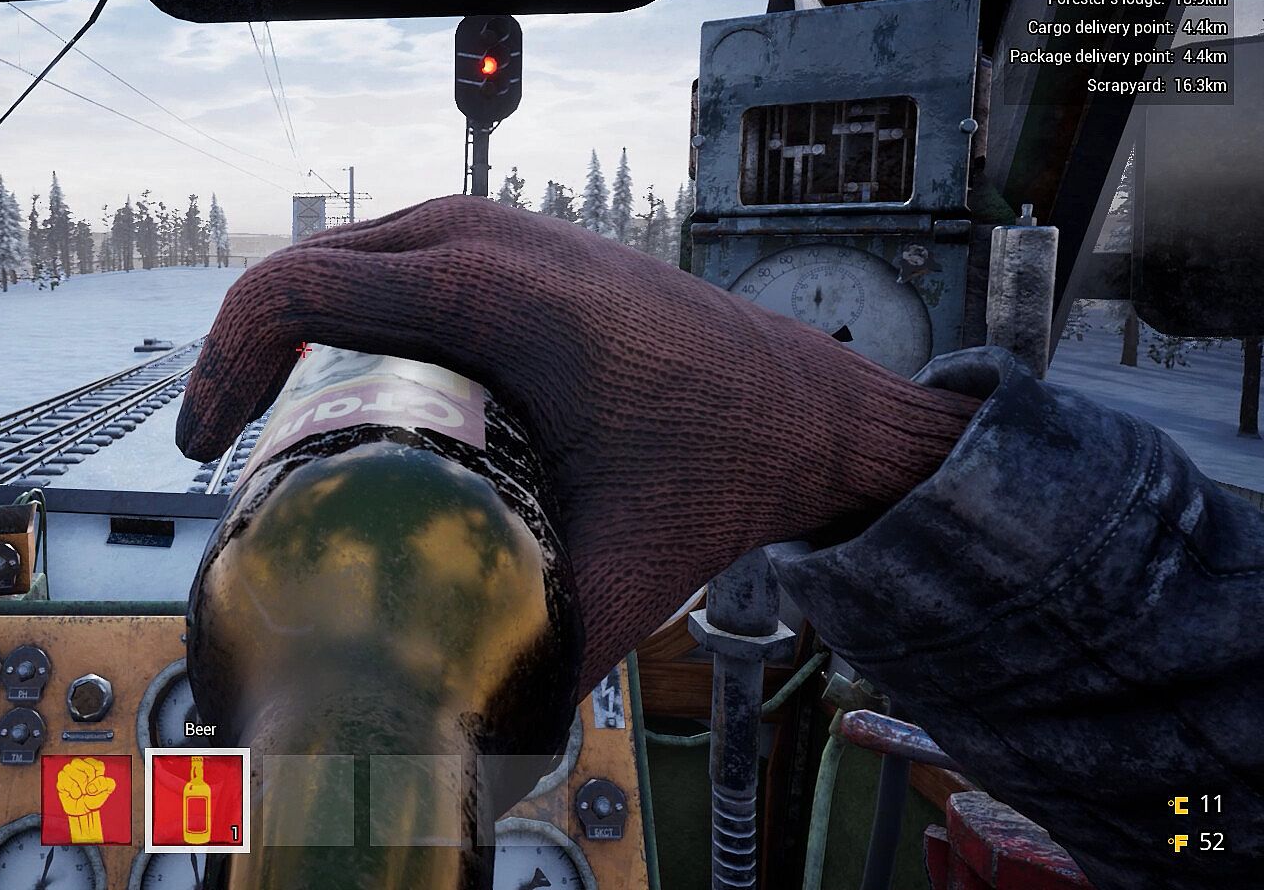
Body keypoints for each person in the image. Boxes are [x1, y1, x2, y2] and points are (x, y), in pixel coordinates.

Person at [175, 196, 1260, 890]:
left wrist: (878, 449)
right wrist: (881, 450)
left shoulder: (277, 599)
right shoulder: (443, 601)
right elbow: (1220, 815)